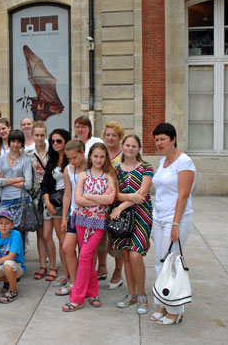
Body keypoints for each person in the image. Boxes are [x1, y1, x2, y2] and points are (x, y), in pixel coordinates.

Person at [62, 143, 116, 311]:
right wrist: (99, 198)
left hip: (99, 223)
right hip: (81, 221)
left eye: (102, 156)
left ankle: (77, 297)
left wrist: (88, 196)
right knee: (89, 258)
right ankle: (92, 293)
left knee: (85, 256)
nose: (99, 159)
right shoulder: (83, 176)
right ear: (90, 156)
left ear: (105, 157)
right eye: (96, 156)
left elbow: (110, 200)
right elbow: (77, 200)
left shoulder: (108, 176)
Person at [151, 122, 196, 325]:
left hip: (175, 219)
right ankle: (163, 302)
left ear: (173, 140)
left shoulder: (184, 162)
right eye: (157, 140)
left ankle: (176, 309)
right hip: (159, 218)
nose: (159, 143)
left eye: (163, 139)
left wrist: (176, 224)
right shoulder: (163, 162)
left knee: (172, 263)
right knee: (160, 262)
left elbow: (183, 195)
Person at [110, 135, 153, 314]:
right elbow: (114, 193)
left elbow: (142, 194)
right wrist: (125, 201)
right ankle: (131, 294)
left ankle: (142, 295)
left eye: (134, 145)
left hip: (142, 214)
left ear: (139, 148)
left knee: (136, 255)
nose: (130, 148)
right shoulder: (115, 169)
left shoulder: (146, 167)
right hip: (123, 218)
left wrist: (121, 206)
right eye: (127, 145)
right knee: (126, 255)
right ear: (123, 146)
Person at [97, 120, 126, 288]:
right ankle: (102, 267)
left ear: (119, 137)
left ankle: (118, 271)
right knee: (100, 238)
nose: (110, 138)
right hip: (100, 203)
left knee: (116, 238)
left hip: (117, 202)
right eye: (108, 135)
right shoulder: (101, 153)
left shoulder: (123, 155)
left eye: (114, 135)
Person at [41, 129, 72, 284]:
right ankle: (59, 269)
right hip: (52, 201)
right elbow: (45, 183)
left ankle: (67, 273)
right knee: (50, 236)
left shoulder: (71, 160)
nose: (55, 144)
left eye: (58, 141)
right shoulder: (51, 159)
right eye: (52, 141)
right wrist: (47, 201)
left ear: (66, 141)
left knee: (63, 240)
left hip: (64, 203)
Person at [0, 130, 33, 251]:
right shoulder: (1, 159)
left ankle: (18, 262)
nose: (15, 144)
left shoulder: (25, 160)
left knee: (19, 233)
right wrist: (17, 179)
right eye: (13, 141)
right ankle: (3, 259)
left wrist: (6, 180)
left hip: (21, 200)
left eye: (18, 142)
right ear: (9, 142)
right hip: (5, 200)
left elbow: (28, 184)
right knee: (2, 231)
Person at [57, 139, 87, 296]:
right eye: (69, 158)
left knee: (86, 252)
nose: (72, 161)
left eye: (75, 157)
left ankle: (85, 283)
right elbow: (67, 194)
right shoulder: (68, 169)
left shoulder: (91, 166)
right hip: (74, 214)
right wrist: (64, 217)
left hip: (89, 214)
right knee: (67, 247)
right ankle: (74, 281)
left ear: (82, 153)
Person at [26, 121, 51, 281]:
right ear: (33, 136)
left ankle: (55, 264)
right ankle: (43, 265)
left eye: (42, 135)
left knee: (52, 234)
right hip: (36, 198)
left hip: (50, 197)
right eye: (37, 135)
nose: (40, 138)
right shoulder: (28, 156)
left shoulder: (52, 154)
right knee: (41, 234)